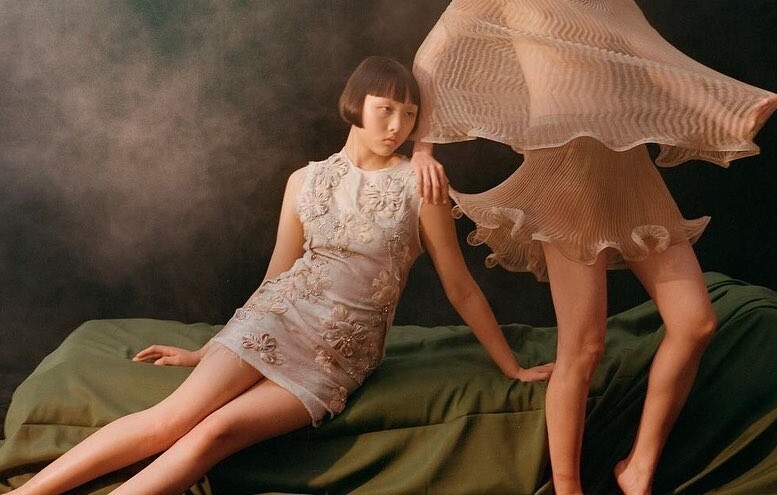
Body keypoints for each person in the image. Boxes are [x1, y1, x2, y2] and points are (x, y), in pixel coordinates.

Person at [410, 0, 777, 495]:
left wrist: (731, 108)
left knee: (695, 321)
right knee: (582, 347)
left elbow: (656, 64)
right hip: (566, 172)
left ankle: (637, 468)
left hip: (627, 171)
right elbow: (434, 54)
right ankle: (568, 487)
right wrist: (422, 144)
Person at [13, 56, 552, 495]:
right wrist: (205, 350)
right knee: (169, 420)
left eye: (409, 115)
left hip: (338, 352)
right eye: (385, 109)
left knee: (215, 433)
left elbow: (459, 285)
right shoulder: (304, 180)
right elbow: (277, 274)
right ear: (355, 106)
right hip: (273, 320)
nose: (397, 126)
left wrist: (510, 365)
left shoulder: (421, 184)